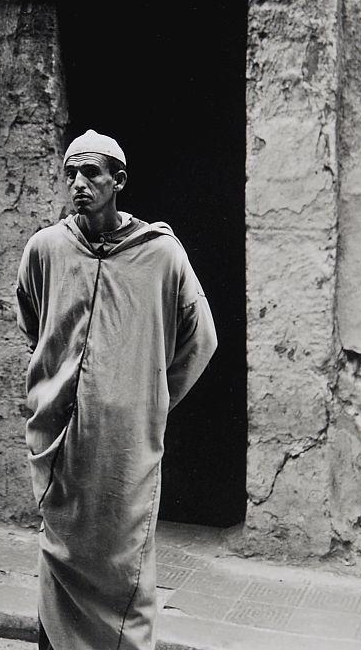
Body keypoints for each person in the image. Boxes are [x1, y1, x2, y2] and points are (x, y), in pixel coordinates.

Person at [16, 130, 217, 650]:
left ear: (118, 181)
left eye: (91, 174)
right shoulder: (46, 249)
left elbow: (201, 338)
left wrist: (149, 398)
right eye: (70, 175)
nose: (78, 184)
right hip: (64, 446)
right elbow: (35, 321)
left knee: (124, 566)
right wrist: (59, 388)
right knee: (59, 561)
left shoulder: (162, 256)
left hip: (127, 447)